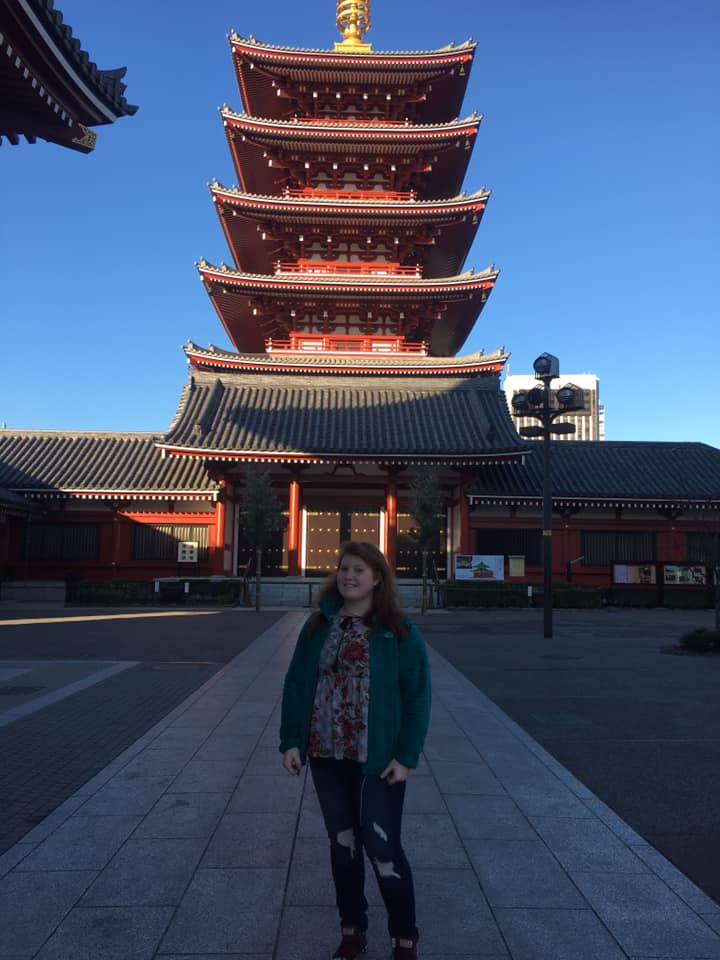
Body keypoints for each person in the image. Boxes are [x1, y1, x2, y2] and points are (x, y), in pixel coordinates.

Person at [280, 541, 431, 960]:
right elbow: (296, 684)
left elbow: (418, 696)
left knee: (382, 847)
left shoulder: (398, 630)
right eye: (344, 568)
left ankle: (404, 936)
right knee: (343, 845)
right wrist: (290, 740)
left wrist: (406, 757)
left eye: (359, 570)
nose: (349, 576)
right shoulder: (317, 626)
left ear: (377, 577)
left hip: (377, 759)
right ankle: (353, 930)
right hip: (326, 753)